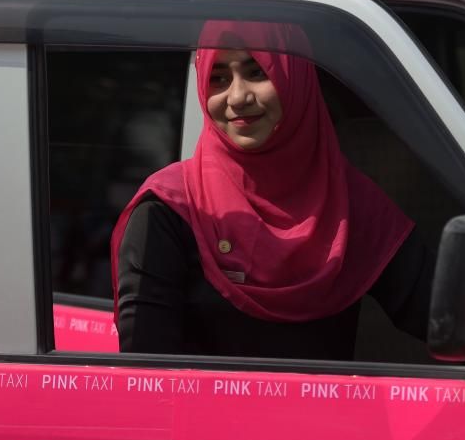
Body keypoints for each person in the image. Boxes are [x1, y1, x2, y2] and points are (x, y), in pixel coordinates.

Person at [110, 20, 433, 359]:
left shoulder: (352, 205)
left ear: (297, 77)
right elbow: (145, 379)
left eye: (258, 72)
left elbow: (450, 323)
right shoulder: (170, 209)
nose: (237, 97)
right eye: (218, 78)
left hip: (325, 413)